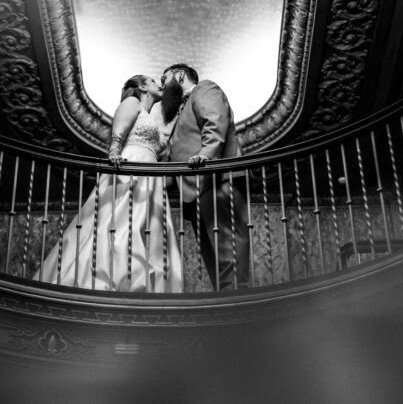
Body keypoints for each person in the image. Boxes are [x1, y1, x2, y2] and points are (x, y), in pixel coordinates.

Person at [35, 74, 183, 292]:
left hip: (151, 174)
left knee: (147, 225)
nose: (159, 85)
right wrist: (114, 152)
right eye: (153, 81)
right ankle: (113, 277)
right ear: (142, 86)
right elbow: (119, 132)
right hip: (132, 162)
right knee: (120, 220)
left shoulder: (152, 117)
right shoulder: (132, 103)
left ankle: (143, 282)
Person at [158, 63, 251, 290]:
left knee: (229, 249)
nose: (162, 88)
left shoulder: (204, 89)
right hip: (196, 191)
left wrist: (205, 154)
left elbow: (215, 121)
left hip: (216, 180)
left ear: (180, 75)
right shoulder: (181, 110)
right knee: (214, 258)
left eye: (164, 79)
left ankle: (238, 303)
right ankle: (225, 301)